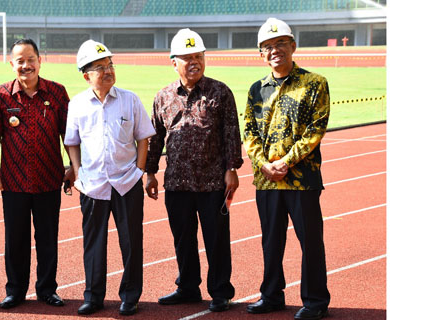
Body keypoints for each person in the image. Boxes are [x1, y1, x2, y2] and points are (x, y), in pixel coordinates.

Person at [145, 28, 243, 313]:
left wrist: (232, 169)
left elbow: (231, 133)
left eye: (198, 56)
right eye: (187, 58)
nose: (194, 62)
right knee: (183, 239)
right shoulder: (162, 96)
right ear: (173, 61)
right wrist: (150, 173)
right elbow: (155, 138)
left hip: (213, 182)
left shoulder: (220, 92)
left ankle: (221, 291)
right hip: (176, 183)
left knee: (216, 239)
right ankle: (187, 287)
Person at [243, 18, 331, 320]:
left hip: (302, 181)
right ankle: (271, 295)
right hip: (266, 181)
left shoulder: (314, 83)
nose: (274, 50)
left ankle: (316, 300)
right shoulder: (257, 89)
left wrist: (285, 162)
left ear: (293, 46)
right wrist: (264, 164)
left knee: (310, 242)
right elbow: (249, 132)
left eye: (280, 43)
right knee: (271, 241)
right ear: (261, 55)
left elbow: (315, 130)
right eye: (267, 47)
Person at [64, 39, 155, 316]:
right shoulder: (78, 104)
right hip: (93, 186)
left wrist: (139, 170)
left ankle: (130, 296)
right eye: (100, 67)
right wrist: (78, 173)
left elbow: (143, 138)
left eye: (110, 65)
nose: (108, 71)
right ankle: (93, 296)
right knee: (94, 243)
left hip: (127, 182)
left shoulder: (130, 99)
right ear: (86, 75)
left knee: (131, 242)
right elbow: (72, 142)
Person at [0, 38, 72, 309]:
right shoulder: (1, 95)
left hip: (48, 179)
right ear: (11, 64)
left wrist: (72, 166)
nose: (26, 65)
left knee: (47, 239)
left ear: (39, 60)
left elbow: (69, 134)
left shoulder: (57, 93)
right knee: (15, 240)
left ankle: (47, 289)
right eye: (19, 61)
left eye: (30, 59)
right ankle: (15, 290)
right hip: (13, 180)